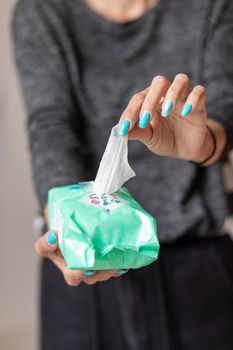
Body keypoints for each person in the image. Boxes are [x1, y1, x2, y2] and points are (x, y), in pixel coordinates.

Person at [12, 0, 233, 349]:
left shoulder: (212, 6)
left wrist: (201, 145)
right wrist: (65, 228)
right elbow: (51, 126)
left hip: (197, 267)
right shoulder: (41, 11)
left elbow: (223, 113)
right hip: (83, 272)